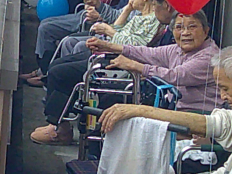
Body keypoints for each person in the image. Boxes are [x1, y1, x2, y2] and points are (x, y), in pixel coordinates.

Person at [30, 10, 218, 145]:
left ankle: (92, 149)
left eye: (192, 27)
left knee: (109, 101)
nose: (185, 33)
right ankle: (67, 130)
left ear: (206, 30)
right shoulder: (178, 49)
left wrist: (134, 66)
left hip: (189, 116)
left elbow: (176, 76)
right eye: (179, 27)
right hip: (167, 105)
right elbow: (148, 52)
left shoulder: (208, 56)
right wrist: (109, 46)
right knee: (92, 90)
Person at [98, 46, 232, 174]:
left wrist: (139, 111)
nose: (222, 96)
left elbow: (211, 124)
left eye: (225, 88)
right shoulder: (173, 51)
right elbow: (227, 171)